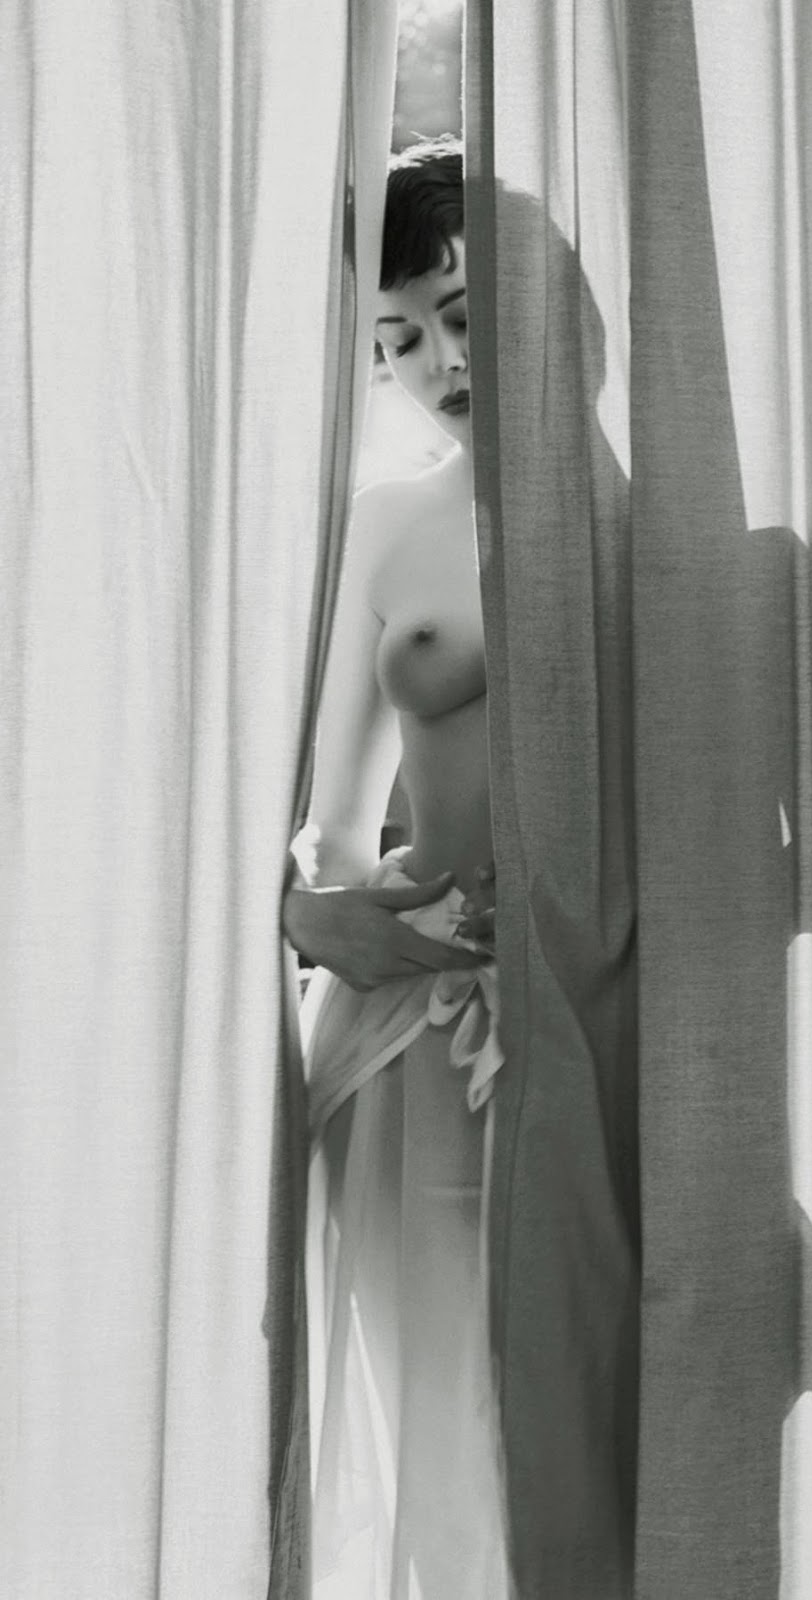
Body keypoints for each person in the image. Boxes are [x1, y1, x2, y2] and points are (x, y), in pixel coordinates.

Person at [282, 137, 511, 1600]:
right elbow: (322, 827)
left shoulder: (663, 521)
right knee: (438, 1443)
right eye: (401, 339)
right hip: (411, 1030)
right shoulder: (386, 521)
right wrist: (319, 925)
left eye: (463, 315)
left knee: (585, 1433)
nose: (441, 362)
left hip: (601, 1019)